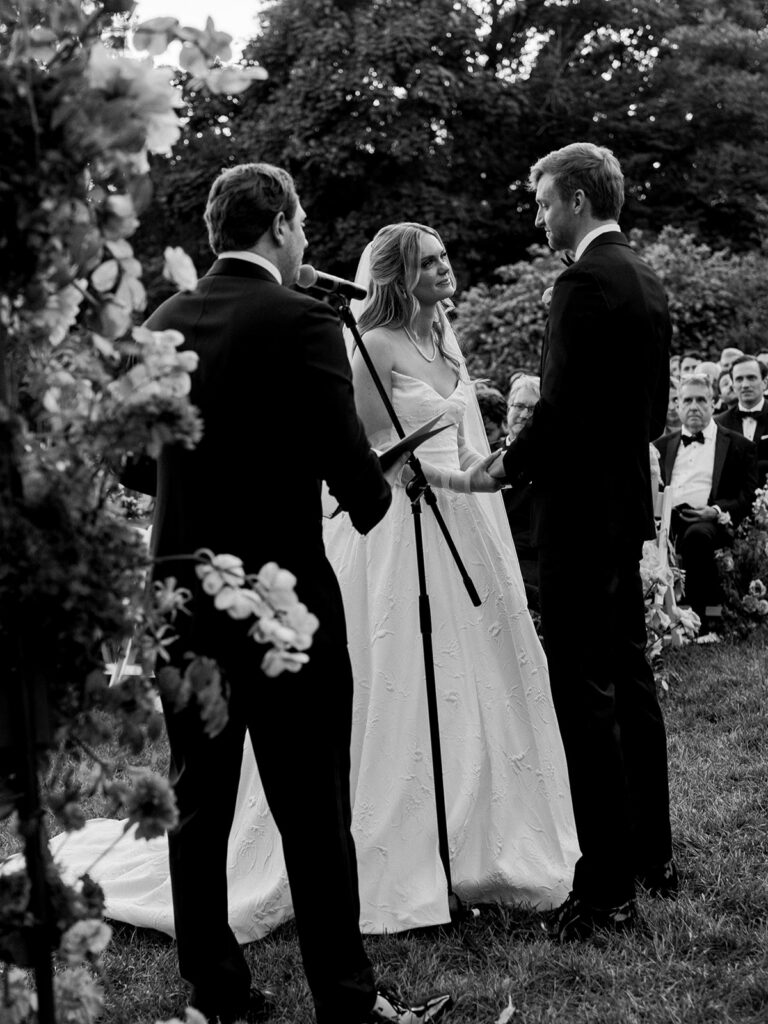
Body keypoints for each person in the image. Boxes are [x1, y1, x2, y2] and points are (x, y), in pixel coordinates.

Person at [102, 163, 449, 1024]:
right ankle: (343, 999)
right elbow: (358, 492)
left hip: (182, 603)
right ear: (283, 225)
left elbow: (127, 459)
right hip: (282, 608)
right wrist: (386, 469)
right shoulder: (303, 321)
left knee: (197, 799)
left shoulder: (161, 322)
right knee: (311, 805)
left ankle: (218, 994)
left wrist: (204, 467)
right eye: (301, 225)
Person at [320, 221, 577, 932]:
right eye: (428, 261)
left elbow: (470, 444)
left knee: (491, 676)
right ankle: (405, 846)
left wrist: (503, 465)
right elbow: (375, 457)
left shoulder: (445, 339)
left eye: (443, 256)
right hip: (400, 531)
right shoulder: (375, 345)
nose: (443, 268)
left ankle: (492, 835)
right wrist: (462, 483)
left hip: (470, 528)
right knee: (404, 675)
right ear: (399, 276)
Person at [489, 142, 675, 941]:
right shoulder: (645, 275)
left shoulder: (581, 282)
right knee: (629, 680)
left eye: (540, 201)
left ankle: (605, 891)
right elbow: (651, 416)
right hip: (622, 507)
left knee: (585, 696)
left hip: (576, 516)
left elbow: (557, 410)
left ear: (572, 199)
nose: (537, 216)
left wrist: (504, 467)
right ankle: (651, 857)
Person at [655, 374, 757, 631]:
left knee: (697, 536)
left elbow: (746, 496)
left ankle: (709, 619)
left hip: (712, 521)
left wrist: (715, 511)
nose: (694, 406)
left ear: (713, 404)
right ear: (677, 405)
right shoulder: (661, 446)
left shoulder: (738, 446)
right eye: (687, 400)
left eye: (701, 400)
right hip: (667, 520)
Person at [502, 375, 540, 608]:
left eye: (533, 409)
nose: (524, 414)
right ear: (508, 408)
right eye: (519, 406)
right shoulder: (485, 455)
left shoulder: (549, 464)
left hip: (529, 559)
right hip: (492, 551)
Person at [715, 355, 768, 485]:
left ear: (765, 382)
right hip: (732, 501)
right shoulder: (719, 424)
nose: (745, 385)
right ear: (733, 385)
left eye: (751, 378)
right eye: (739, 379)